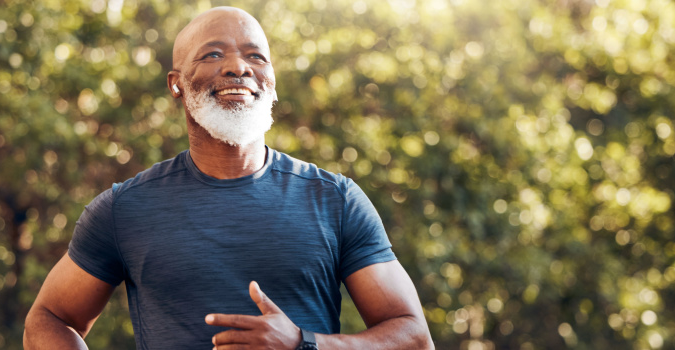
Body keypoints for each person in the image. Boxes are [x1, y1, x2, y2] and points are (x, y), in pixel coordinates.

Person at [24, 6, 434, 350]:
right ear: (176, 84)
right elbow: (48, 318)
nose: (238, 67)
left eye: (256, 56)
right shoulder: (124, 209)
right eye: (213, 54)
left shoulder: (335, 200)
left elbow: (414, 336)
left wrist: (303, 343)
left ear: (272, 82)